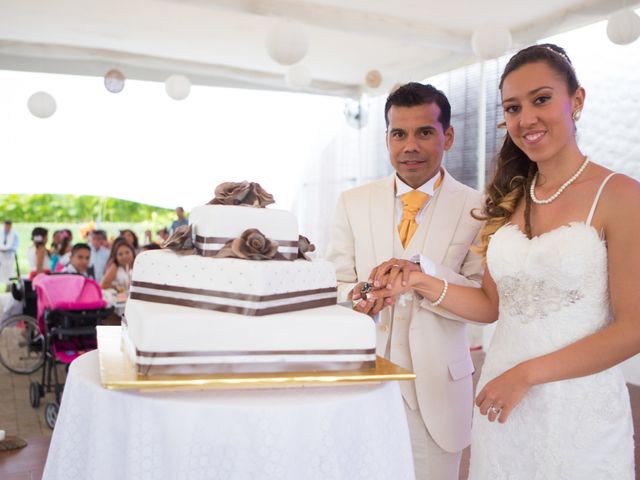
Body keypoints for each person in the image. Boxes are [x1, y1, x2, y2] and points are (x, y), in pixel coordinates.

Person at [367, 44, 638, 478]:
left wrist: (527, 375)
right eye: (513, 107)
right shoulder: (508, 198)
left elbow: (633, 329)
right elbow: (491, 305)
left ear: (578, 101)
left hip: (576, 409)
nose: (526, 118)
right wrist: (418, 281)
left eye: (542, 99)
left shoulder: (620, 194)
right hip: (502, 406)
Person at [326, 82, 484, 479]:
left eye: (424, 132)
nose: (410, 145)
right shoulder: (353, 202)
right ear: (387, 139)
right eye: (399, 133)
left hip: (437, 391)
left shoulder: (479, 208)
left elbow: (483, 300)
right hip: (363, 382)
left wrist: (421, 272)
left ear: (447, 136)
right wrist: (364, 293)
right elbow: (336, 283)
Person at [0, 220, 19, 285]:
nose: (6, 228)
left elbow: (15, 246)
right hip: (1, 255)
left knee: (9, 271)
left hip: (9, 255)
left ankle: (9, 285)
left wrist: (6, 250)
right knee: (1, 271)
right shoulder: (1, 232)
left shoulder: (15, 234)